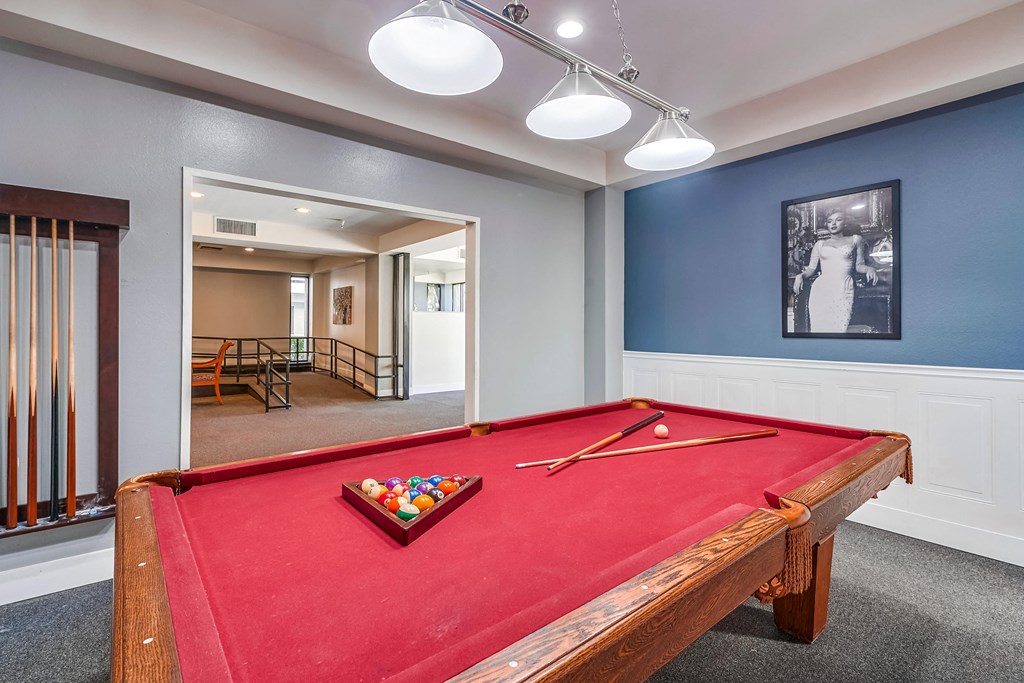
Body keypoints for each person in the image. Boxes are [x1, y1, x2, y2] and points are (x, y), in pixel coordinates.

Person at [793, 209, 877, 333]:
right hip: (821, 290)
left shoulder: (855, 239)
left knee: (840, 329)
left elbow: (859, 265)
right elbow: (811, 269)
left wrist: (870, 269)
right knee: (820, 330)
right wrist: (800, 276)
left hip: (843, 288)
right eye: (830, 221)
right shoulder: (820, 244)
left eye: (838, 220)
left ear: (845, 223)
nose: (833, 224)